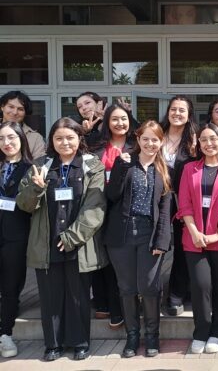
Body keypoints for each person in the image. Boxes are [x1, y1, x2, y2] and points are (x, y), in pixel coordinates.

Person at [16, 117, 107, 362]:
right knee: (50, 297)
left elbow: (95, 207)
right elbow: (24, 204)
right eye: (59, 138)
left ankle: (80, 343)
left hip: (78, 243)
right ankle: (53, 344)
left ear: (80, 138)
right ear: (51, 141)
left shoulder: (92, 166)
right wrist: (35, 188)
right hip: (46, 243)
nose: (64, 142)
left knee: (78, 296)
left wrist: (72, 237)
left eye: (70, 137)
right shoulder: (40, 165)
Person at [103, 120, 171, 358]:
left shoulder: (163, 169)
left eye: (155, 139)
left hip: (149, 234)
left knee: (150, 287)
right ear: (138, 139)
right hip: (121, 235)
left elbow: (165, 209)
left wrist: (162, 241)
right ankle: (132, 336)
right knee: (127, 287)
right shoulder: (125, 163)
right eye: (146, 139)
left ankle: (152, 336)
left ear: (161, 142)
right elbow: (111, 196)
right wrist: (120, 169)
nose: (150, 143)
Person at [178, 123, 218, 354]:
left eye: (213, 139)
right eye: (203, 140)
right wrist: (195, 232)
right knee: (200, 286)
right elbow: (184, 204)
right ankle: (201, 332)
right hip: (194, 239)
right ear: (198, 144)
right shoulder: (189, 169)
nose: (209, 144)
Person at [88, 103, 138, 329]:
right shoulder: (96, 148)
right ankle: (110, 307)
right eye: (115, 119)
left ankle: (130, 308)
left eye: (124, 118)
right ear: (107, 122)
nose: (120, 123)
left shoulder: (136, 147)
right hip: (101, 211)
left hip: (129, 212)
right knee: (105, 262)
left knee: (127, 264)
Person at [161, 95, 198, 316]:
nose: (177, 113)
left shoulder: (193, 139)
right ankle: (152, 293)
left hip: (183, 200)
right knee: (156, 246)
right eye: (173, 109)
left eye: (182, 110)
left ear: (188, 115)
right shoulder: (157, 134)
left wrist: (195, 154)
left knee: (183, 249)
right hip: (158, 200)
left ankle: (177, 294)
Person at [0, 122, 33, 358]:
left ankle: (5, 334)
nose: (6, 143)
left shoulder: (32, 169)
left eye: (11, 137)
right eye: (1, 139)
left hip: (16, 235)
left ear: (21, 138)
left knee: (11, 287)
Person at [0, 90, 46, 159]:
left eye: (20, 109)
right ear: (2, 107)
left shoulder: (35, 138)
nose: (15, 112)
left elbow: (39, 166)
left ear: (25, 113)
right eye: (11, 107)